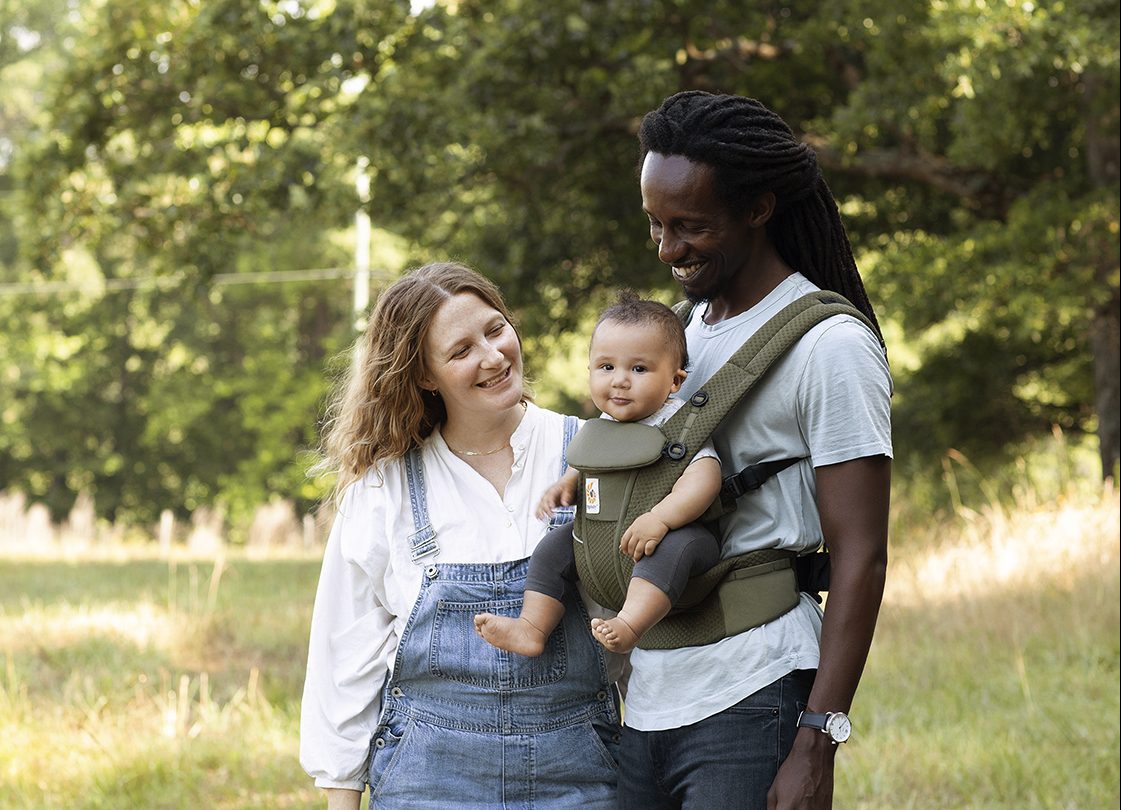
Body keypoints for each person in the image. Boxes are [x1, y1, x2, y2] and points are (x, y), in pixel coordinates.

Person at [619, 91, 893, 810]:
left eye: (690, 227)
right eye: (655, 224)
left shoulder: (829, 347)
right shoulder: (673, 338)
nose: (666, 249)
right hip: (649, 697)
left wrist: (816, 740)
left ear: (758, 208)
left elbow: (861, 555)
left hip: (755, 691)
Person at [299, 262, 623, 810]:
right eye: (461, 351)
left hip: (582, 773)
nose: (494, 357)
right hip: (429, 778)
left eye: (496, 330)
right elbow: (343, 659)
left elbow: (644, 627)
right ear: (425, 376)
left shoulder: (596, 453)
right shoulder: (386, 488)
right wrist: (341, 797)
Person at [475, 292, 723, 656]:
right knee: (553, 548)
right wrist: (567, 485)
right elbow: (592, 464)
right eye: (607, 367)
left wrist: (661, 518)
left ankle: (630, 624)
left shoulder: (678, 423)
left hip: (678, 537)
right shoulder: (602, 426)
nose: (620, 380)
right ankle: (531, 627)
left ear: (675, 380)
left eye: (639, 369)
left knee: (670, 550)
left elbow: (705, 477)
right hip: (606, 537)